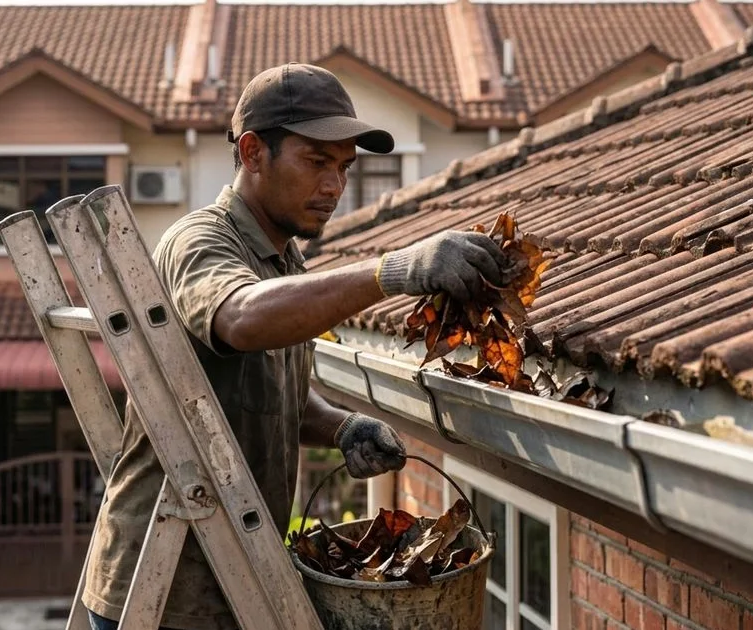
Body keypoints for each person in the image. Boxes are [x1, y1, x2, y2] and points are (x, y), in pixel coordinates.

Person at [82, 62, 509, 630]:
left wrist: (339, 426)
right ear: (254, 153)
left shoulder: (283, 260)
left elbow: (262, 389)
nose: (334, 187)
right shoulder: (199, 241)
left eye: (344, 168)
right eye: (316, 162)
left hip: (234, 584)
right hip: (160, 591)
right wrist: (393, 270)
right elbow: (240, 318)